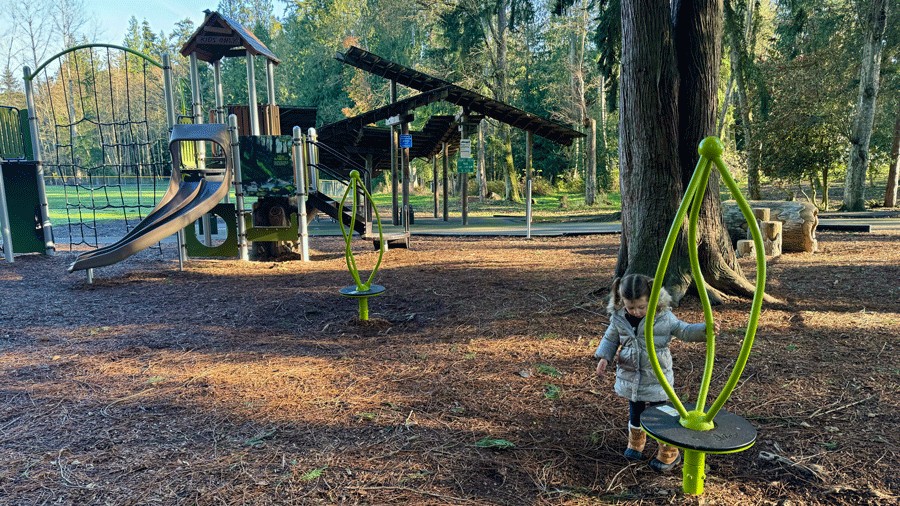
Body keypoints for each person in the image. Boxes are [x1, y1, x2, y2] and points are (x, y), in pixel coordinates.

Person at [593, 273, 719, 472]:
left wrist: (704, 330)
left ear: (652, 299)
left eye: (642, 307)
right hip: (631, 376)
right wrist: (604, 357)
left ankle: (669, 453)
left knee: (660, 415)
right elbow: (611, 338)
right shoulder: (618, 317)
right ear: (621, 301)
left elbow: (683, 330)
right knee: (635, 411)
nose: (636, 311)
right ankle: (636, 444)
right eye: (631, 307)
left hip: (656, 376)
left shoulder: (663, 316)